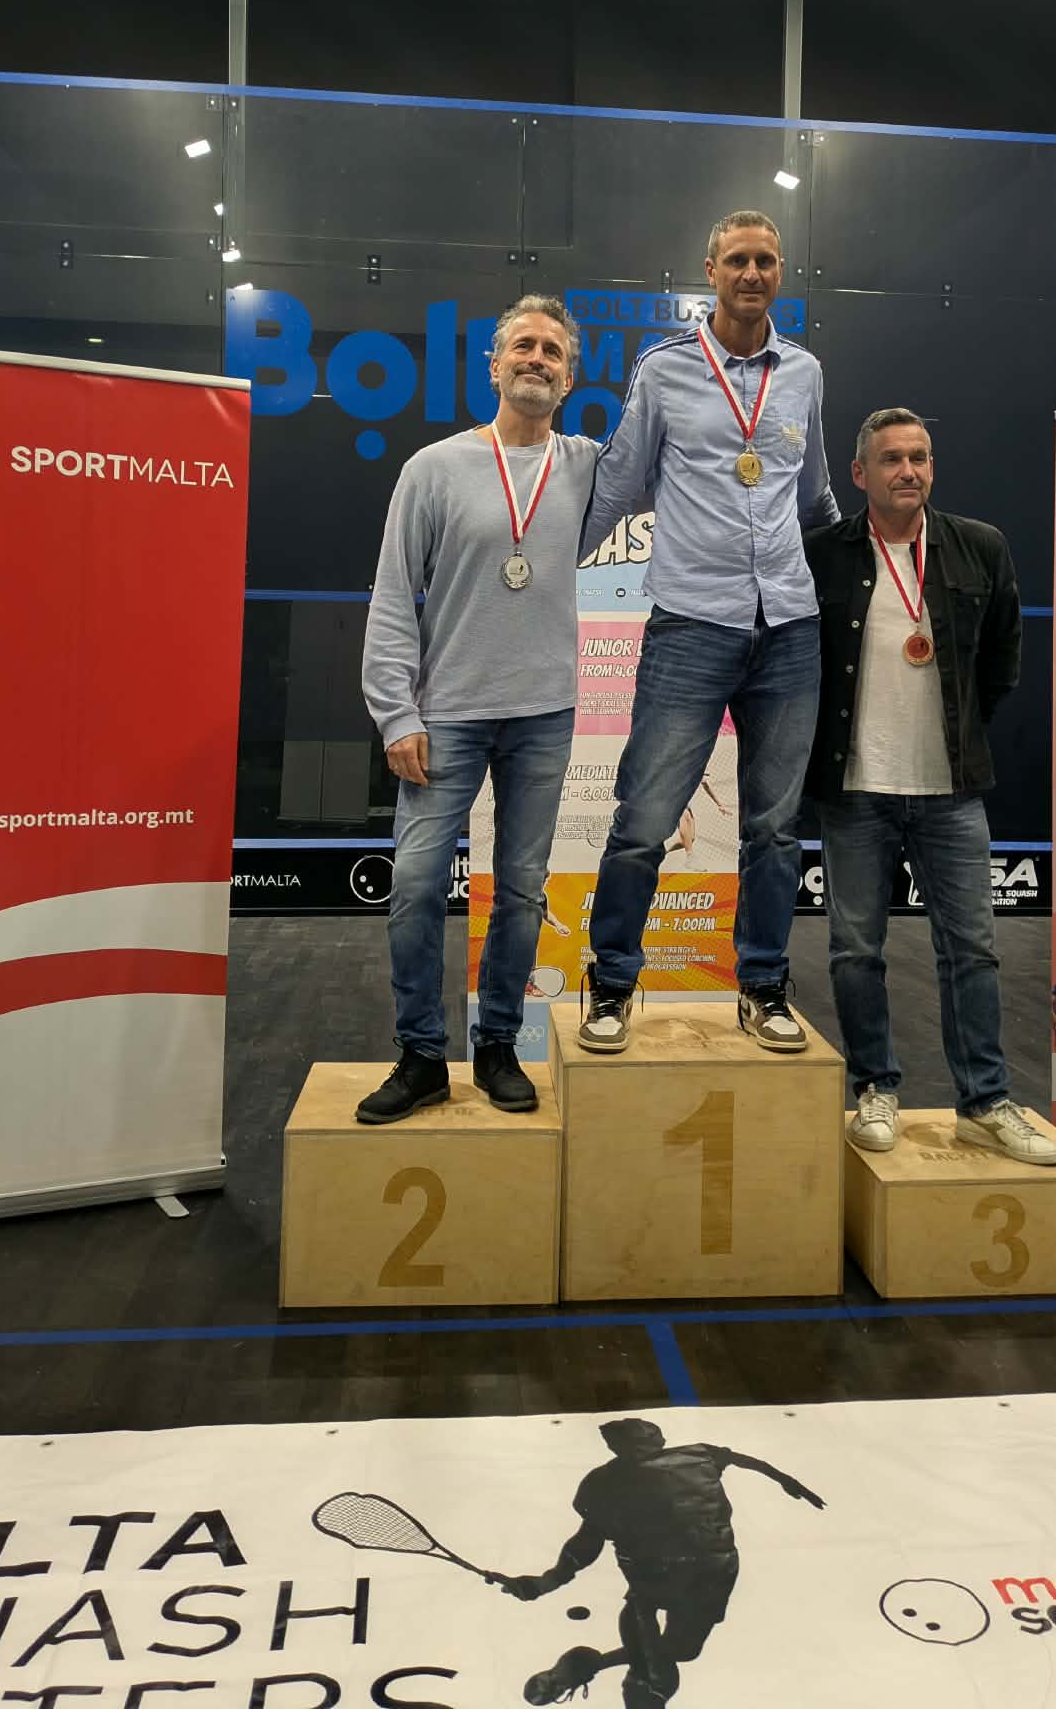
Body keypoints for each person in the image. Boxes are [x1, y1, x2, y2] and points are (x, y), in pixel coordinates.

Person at [575, 210, 839, 1054]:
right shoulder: (665, 370)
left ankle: (762, 986)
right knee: (645, 819)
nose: (752, 273)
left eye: (766, 260)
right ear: (711, 270)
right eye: (737, 261)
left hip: (789, 629)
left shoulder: (804, 374)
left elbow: (815, 496)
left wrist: (863, 583)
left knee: (774, 828)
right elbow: (618, 483)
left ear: (780, 272)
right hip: (691, 623)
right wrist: (550, 570)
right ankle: (611, 983)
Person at [358, 296, 598, 1122]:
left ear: (570, 378)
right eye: (522, 347)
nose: (537, 359)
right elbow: (394, 593)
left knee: (523, 891)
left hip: (544, 714)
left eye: (552, 352)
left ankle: (497, 1046)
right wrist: (396, 713)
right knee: (417, 884)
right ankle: (422, 1055)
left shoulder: (589, 466)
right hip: (447, 714)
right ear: (494, 367)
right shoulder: (434, 468)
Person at [803, 406, 1056, 1165]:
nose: (908, 471)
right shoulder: (823, 555)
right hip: (855, 791)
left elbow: (1002, 660)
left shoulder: (981, 547)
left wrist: (960, 730)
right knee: (856, 951)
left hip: (950, 792)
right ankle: (874, 1089)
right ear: (860, 474)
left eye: (919, 457)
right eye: (891, 459)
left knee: (972, 951)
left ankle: (985, 1101)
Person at [494, 1417, 824, 1709]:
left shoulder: (606, 1482)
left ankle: (600, 1668)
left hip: (675, 1575)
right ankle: (628, 1680)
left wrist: (544, 1584)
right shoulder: (699, 1455)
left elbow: (586, 1543)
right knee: (660, 1659)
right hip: (708, 1572)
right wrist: (785, 1479)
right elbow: (743, 1460)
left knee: (674, 1649)